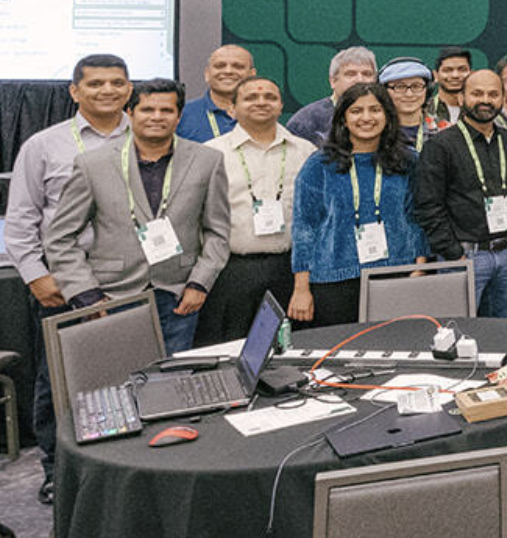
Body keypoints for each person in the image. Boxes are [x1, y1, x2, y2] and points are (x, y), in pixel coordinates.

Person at [7, 57, 127, 502]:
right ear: (75, 91)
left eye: (117, 82)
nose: (107, 91)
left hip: (132, 282)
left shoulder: (150, 135)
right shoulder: (44, 145)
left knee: (131, 373)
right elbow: (20, 220)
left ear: (129, 88)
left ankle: (124, 465)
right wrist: (37, 277)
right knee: (58, 381)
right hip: (63, 284)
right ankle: (58, 469)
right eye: (95, 83)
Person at [45, 77, 228, 353]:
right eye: (147, 110)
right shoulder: (93, 164)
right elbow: (60, 237)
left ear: (179, 116)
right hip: (110, 296)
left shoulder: (207, 160)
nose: (157, 117)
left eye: (166, 111)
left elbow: (218, 231)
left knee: (171, 384)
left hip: (178, 294)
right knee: (114, 384)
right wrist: (85, 293)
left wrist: (199, 283)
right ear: (129, 113)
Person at [289, 81, 431, 328]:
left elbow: (417, 217)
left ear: (388, 116)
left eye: (375, 110)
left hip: (396, 275)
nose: (367, 118)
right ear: (343, 118)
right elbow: (304, 227)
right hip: (334, 281)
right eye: (356, 111)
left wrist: (419, 271)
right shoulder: (319, 164)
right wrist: (301, 288)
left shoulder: (408, 161)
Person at [199, 76, 312, 344]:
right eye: (250, 98)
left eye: (270, 97)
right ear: (232, 108)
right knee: (229, 351)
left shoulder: (305, 151)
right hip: (231, 271)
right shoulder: (210, 153)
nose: (261, 102)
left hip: (289, 270)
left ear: (281, 105)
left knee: (288, 351)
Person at [413, 70, 507, 318]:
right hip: (465, 256)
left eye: (493, 94)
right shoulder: (440, 145)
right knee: (459, 331)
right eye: (477, 94)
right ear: (461, 99)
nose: (485, 100)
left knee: (503, 330)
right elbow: (428, 205)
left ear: (502, 98)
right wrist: (453, 252)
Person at [287, 46, 379, 145]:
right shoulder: (304, 122)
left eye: (367, 74)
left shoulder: (386, 118)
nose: (360, 80)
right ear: (333, 82)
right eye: (350, 74)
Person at [178, 44, 254, 141]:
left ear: (252, 75)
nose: (228, 71)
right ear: (207, 74)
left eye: (238, 66)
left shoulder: (265, 114)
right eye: (220, 66)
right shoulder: (182, 115)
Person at [379, 57, 446, 150]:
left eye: (416, 86)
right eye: (400, 87)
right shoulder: (374, 131)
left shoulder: (446, 131)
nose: (409, 94)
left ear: (428, 90)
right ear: (384, 92)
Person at [425, 46, 472, 123]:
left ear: (472, 74)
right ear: (436, 75)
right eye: (447, 70)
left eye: (462, 69)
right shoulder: (423, 110)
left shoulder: (479, 110)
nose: (455, 75)